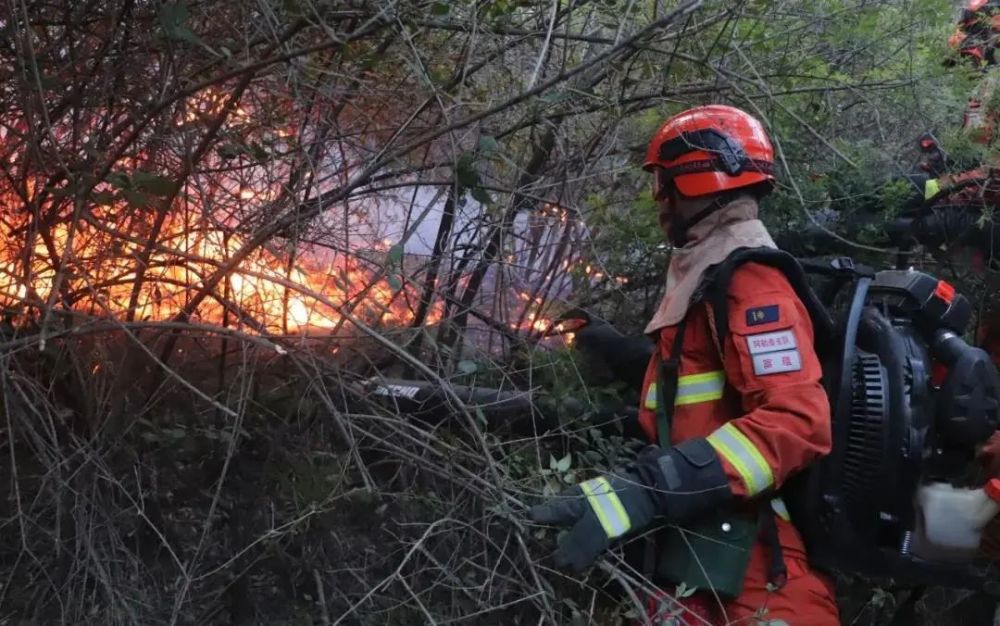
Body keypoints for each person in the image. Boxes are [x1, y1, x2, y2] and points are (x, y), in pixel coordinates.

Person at [528, 105, 840, 625]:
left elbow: (798, 421)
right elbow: (707, 393)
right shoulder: (714, 270)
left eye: (663, 184)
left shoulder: (752, 282)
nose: (658, 201)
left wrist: (652, 488)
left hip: (760, 569)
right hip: (707, 544)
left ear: (696, 182)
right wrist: (621, 352)